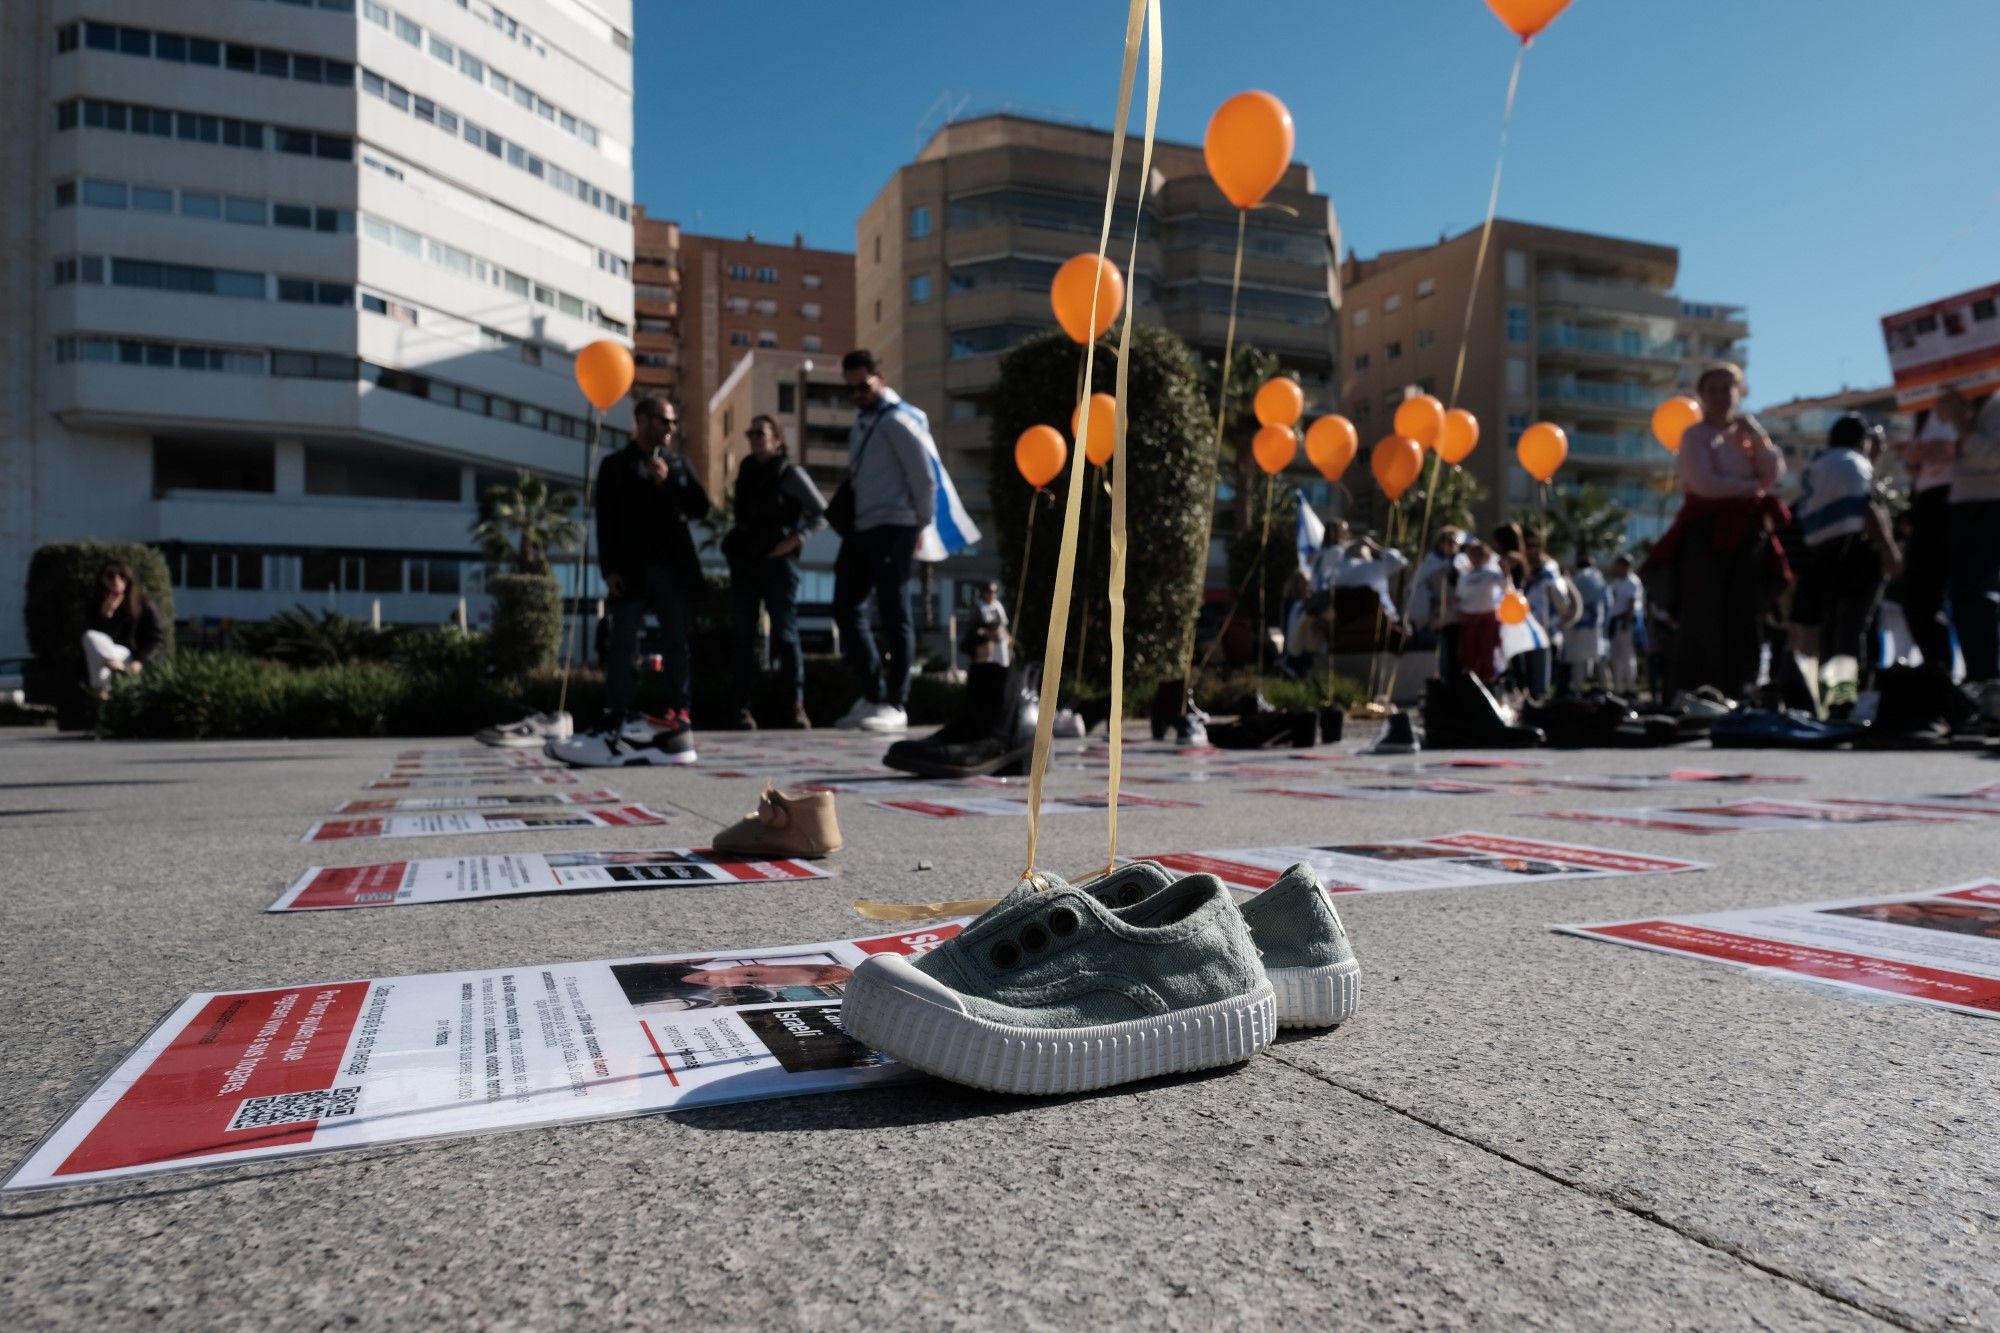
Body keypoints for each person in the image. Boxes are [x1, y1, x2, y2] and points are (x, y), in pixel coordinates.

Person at [553, 394, 710, 766]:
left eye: (672, 422)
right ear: (641, 419)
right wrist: (609, 570)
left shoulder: (677, 464)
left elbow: (701, 508)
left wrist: (670, 483)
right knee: (622, 643)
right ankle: (618, 712)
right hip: (632, 570)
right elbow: (605, 522)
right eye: (662, 421)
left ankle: (679, 712)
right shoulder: (614, 466)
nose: (669, 429)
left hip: (672, 570)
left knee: (676, 644)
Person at [1647, 363, 1788, 703]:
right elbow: (1705, 484)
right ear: (1702, 396)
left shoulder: (1746, 437)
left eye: (1728, 388)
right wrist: (1751, 486)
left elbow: (1774, 472)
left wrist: (1756, 434)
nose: (1721, 396)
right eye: (1713, 389)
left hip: (1746, 535)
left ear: (1739, 392)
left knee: (1746, 613)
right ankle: (1697, 690)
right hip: (1707, 534)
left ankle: (1743, 687)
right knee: (1704, 614)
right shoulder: (1695, 436)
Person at [832, 349, 937, 734]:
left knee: (895, 613)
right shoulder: (861, 424)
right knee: (846, 606)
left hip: (896, 525)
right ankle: (873, 694)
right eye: (851, 389)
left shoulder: (899, 421)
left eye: (863, 386)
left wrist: (920, 524)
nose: (857, 394)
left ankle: (896, 702)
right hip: (863, 526)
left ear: (881, 378)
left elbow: (924, 477)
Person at [723, 413, 826, 730]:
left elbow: (821, 511)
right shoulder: (746, 470)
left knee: (785, 632)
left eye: (761, 433)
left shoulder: (789, 472)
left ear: (777, 439)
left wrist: (796, 539)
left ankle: (795, 706)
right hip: (746, 560)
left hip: (779, 562)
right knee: (743, 634)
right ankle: (740, 708)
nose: (754, 438)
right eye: (750, 433)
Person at [1792, 414, 1901, 711]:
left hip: (1824, 553)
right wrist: (1888, 548)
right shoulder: (1854, 462)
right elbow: (1867, 505)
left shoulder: (1818, 465)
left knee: (1832, 627)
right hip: (1857, 551)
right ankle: (1848, 701)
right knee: (1852, 627)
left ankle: (1832, 700)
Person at [1938, 388, 2000, 706]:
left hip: (1988, 506)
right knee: (1966, 598)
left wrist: (1963, 426)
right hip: (1967, 506)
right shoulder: (1971, 406)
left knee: (1979, 596)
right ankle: (1982, 681)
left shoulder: (1996, 405)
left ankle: (1989, 682)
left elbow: (1994, 456)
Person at [1893, 409, 1957, 669]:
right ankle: (1938, 669)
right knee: (1917, 601)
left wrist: (1924, 452)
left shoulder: (1964, 402)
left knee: (1969, 596)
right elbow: (1918, 468)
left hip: (1959, 500)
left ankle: (1980, 677)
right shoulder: (1920, 415)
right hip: (1927, 503)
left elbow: (1951, 450)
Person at [83, 561, 165, 697]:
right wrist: (106, 615)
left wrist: (140, 661)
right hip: (107, 655)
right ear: (102, 579)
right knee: (90, 637)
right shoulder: (95, 603)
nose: (116, 580)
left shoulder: (143, 604)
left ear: (129, 580)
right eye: (110, 576)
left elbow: (157, 639)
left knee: (99, 658)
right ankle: (113, 673)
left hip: (130, 656)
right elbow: (94, 642)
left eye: (122, 576)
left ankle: (101, 695)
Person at [1517, 528, 1577, 699]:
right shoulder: (1519, 571)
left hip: (1541, 635)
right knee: (1522, 683)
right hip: (1518, 634)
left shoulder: (1548, 572)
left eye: (1535, 545)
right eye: (1527, 545)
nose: (1531, 549)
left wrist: (1554, 624)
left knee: (1539, 686)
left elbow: (1562, 605)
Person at [1404, 527, 1466, 678]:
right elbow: (1417, 586)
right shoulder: (1432, 562)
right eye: (1448, 541)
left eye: (1454, 542)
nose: (1451, 545)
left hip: (1460, 616)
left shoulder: (1461, 562)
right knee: (1444, 654)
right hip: (1439, 617)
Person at [1454, 537, 1508, 684]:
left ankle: (1488, 680)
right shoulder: (1465, 576)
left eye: (1480, 555)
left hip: (1487, 617)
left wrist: (1505, 571)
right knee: (1469, 653)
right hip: (1469, 618)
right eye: (1473, 555)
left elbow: (1504, 586)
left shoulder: (1491, 573)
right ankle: (1471, 681)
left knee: (1487, 651)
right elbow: (1459, 596)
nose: (1476, 558)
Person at [1563, 554, 1609, 692]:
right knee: (1598, 657)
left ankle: (1576, 689)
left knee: (1578, 659)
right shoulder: (1598, 579)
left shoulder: (1574, 579)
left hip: (1576, 626)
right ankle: (1605, 687)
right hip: (1594, 625)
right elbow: (1608, 602)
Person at [1605, 553, 1644, 693]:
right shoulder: (1618, 582)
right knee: (1616, 655)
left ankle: (1630, 687)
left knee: (1627, 655)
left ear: (1624, 566)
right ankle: (1618, 686)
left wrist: (1626, 622)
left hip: (1625, 623)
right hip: (1616, 622)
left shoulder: (1632, 582)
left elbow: (1631, 604)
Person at [961, 580, 1011, 667]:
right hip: (984, 642)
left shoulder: (998, 606)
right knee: (986, 666)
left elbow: (1003, 623)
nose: (992, 594)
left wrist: (1007, 636)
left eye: (995, 592)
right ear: (984, 592)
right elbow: (973, 627)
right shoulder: (978, 607)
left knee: (1002, 665)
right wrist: (986, 633)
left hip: (999, 641)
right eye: (990, 592)